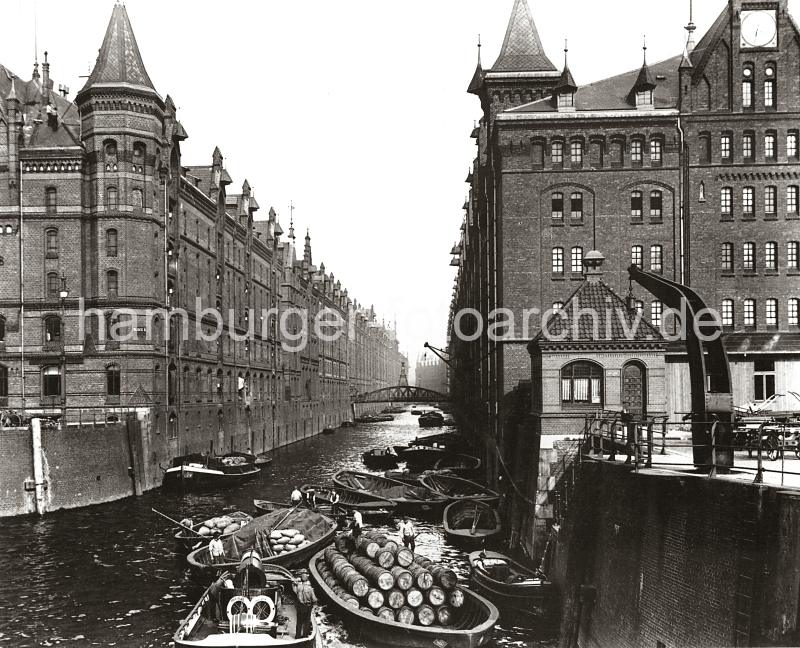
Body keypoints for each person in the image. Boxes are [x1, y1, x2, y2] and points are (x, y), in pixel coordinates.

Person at [292, 570, 317, 636]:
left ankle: (297, 636)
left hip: (300, 606)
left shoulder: (298, 587)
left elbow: (294, 590)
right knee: (306, 622)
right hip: (308, 606)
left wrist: (294, 583)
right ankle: (305, 636)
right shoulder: (310, 588)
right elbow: (314, 599)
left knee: (299, 622)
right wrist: (314, 604)